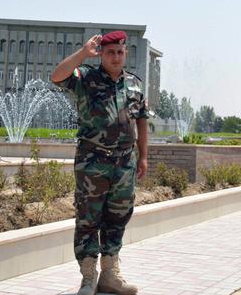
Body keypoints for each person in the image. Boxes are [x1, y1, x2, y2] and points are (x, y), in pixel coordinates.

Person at [52, 30, 149, 295]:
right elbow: (57, 76)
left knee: (118, 218)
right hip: (92, 162)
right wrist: (84, 52)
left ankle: (109, 275)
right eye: (110, 53)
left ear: (125, 52)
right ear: (102, 54)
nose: (116, 57)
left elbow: (141, 120)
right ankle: (87, 278)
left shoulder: (135, 84)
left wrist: (143, 156)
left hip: (124, 164)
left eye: (120, 52)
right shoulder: (85, 77)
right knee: (88, 218)